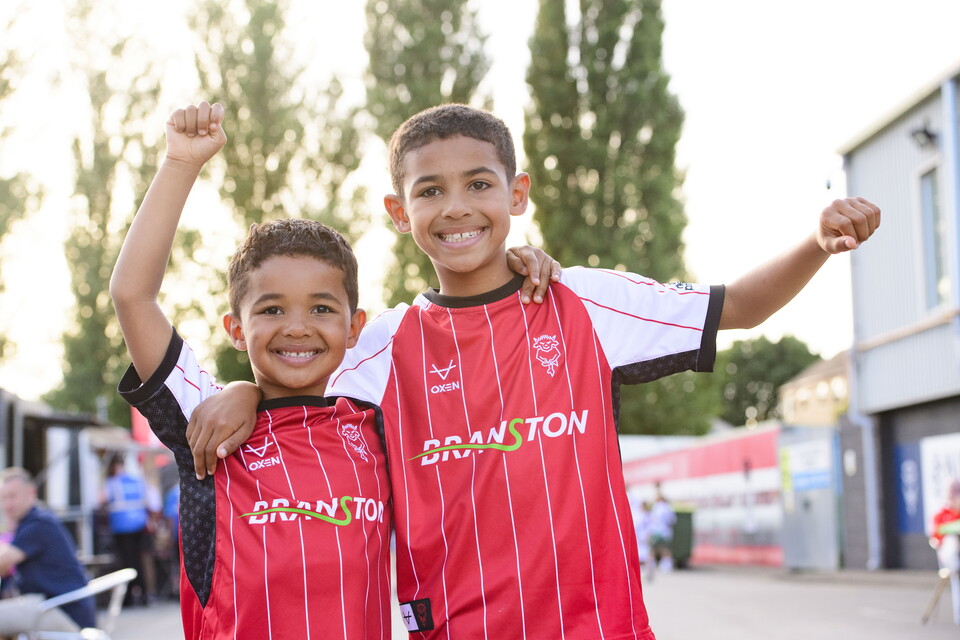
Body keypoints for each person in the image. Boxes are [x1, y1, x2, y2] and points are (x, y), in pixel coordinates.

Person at [187, 104, 880, 638]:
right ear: (401, 213)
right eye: (431, 191)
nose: (457, 206)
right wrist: (243, 389)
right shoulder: (386, 345)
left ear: (516, 195)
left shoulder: (583, 303)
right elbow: (299, 370)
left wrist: (816, 244)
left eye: (479, 184)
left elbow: (742, 308)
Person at [109, 101, 556, 640]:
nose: (297, 328)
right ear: (234, 328)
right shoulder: (205, 422)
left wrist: (516, 263)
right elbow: (132, 295)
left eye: (321, 309)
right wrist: (180, 164)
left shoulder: (379, 427)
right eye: (271, 310)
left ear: (354, 328)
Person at [0, 467, 97, 636]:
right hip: (52, 606)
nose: (7, 504)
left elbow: (3, 561)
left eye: (12, 497)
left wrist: (9, 525)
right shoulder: (35, 520)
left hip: (61, 610)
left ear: (31, 493)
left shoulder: (38, 523)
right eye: (3, 498)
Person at [101, 457, 151, 606]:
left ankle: (128, 596)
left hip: (121, 527)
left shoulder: (112, 483)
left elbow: (100, 500)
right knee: (139, 560)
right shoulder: (137, 481)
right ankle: (144, 594)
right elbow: (149, 500)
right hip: (139, 524)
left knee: (126, 562)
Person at [650, 487, 677, 573]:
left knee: (655, 548)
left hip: (657, 530)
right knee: (664, 548)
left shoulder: (656, 507)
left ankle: (653, 563)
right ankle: (666, 564)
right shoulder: (667, 507)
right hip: (665, 531)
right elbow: (672, 520)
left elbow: (652, 519)